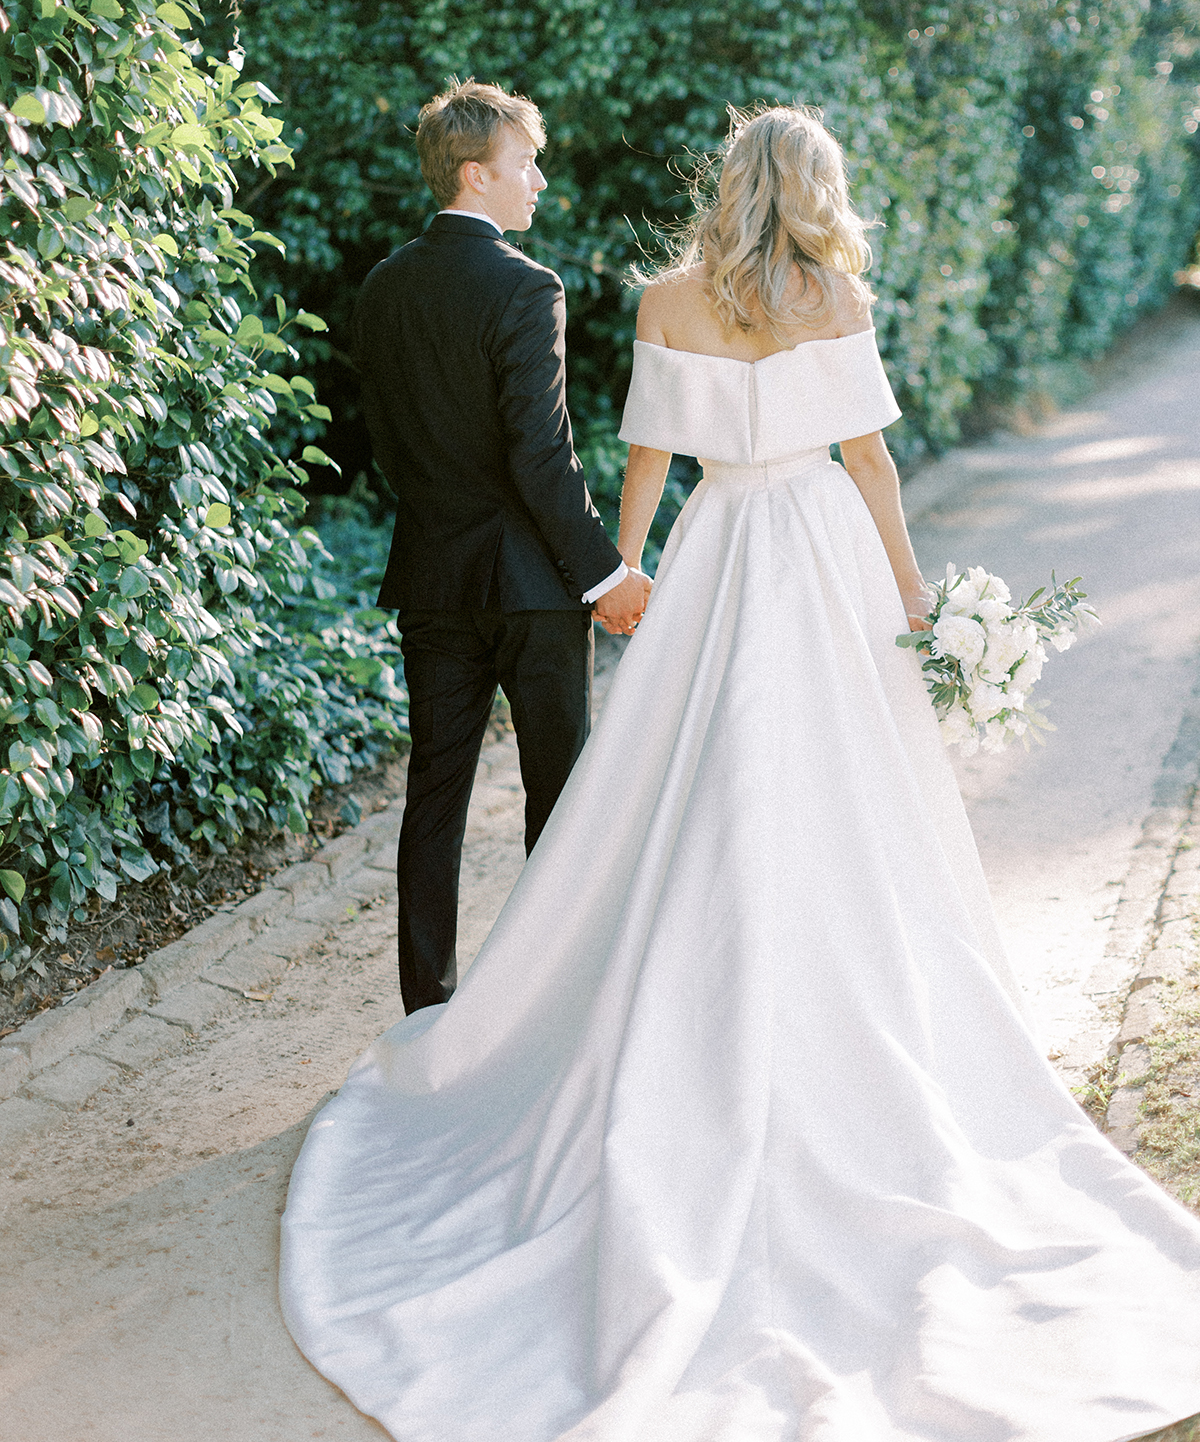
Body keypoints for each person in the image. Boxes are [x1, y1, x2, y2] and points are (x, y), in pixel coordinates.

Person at [283, 104, 1200, 1441]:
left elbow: (648, 458)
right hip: (820, 548)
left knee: (686, 790)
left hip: (718, 549)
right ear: (814, 187)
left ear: (725, 184)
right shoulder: (835, 294)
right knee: (846, 795)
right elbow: (871, 460)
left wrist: (630, 580)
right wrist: (912, 596)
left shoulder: (668, 298)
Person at [351, 78, 650, 1012]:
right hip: (531, 588)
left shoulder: (383, 285)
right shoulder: (527, 287)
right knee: (558, 802)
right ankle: (552, 1007)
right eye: (527, 164)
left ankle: (427, 1008)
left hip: (433, 580)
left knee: (434, 794)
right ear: (477, 175)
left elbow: (389, 448)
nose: (540, 182)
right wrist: (606, 575)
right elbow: (543, 456)